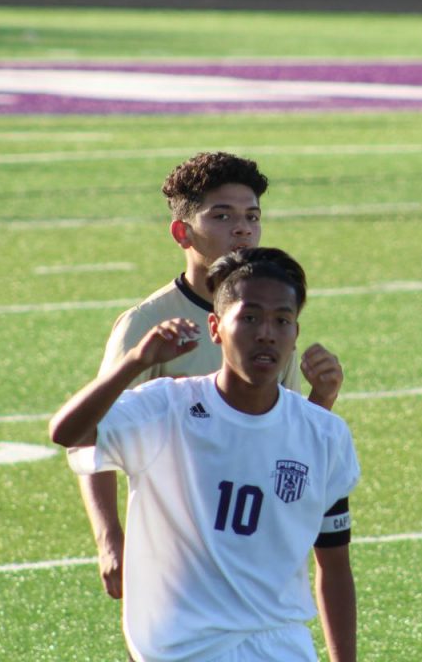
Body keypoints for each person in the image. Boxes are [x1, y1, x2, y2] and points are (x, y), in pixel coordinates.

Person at [50, 247, 359, 662]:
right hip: (178, 651)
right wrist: (133, 363)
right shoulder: (166, 408)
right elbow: (68, 432)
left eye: (281, 320)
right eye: (249, 318)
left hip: (281, 648)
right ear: (215, 328)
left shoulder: (324, 433)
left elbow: (335, 564)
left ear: (295, 334)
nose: (266, 332)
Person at [80, 151, 345, 600]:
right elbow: (92, 436)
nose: (242, 228)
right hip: (172, 553)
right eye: (222, 216)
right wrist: (109, 538)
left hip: (255, 546)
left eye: (252, 216)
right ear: (183, 232)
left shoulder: (267, 325)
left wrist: (323, 399)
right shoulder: (146, 324)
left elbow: (286, 436)